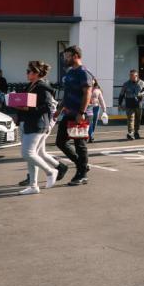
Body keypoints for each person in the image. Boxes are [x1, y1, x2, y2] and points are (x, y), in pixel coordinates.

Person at [14, 61, 65, 195]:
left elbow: (47, 107)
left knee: (27, 153)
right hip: (28, 122)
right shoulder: (31, 85)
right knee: (33, 155)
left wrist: (27, 109)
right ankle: (33, 186)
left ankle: (51, 171)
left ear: (36, 73)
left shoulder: (42, 86)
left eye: (28, 71)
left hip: (38, 124)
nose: (26, 73)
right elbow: (25, 103)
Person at [54, 45, 92, 186]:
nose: (65, 59)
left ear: (75, 56)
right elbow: (67, 94)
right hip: (68, 113)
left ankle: (82, 175)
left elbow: (87, 93)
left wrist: (81, 113)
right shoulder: (70, 73)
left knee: (79, 145)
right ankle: (82, 165)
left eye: (67, 56)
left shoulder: (83, 72)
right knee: (60, 142)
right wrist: (60, 109)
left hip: (80, 114)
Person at [118, 69, 144, 141]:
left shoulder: (142, 83)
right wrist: (119, 104)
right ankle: (130, 133)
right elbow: (121, 94)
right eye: (130, 75)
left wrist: (143, 94)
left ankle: (136, 132)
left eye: (133, 75)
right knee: (130, 119)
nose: (131, 76)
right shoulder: (126, 84)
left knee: (138, 120)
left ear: (137, 76)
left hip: (139, 104)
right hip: (129, 104)